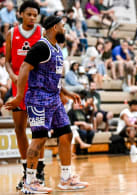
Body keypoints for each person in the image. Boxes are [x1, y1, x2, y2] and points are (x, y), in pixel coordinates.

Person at [5, 15, 89, 193]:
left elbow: (54, 76)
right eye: (63, 26)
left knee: (66, 134)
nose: (65, 30)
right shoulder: (41, 47)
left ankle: (66, 178)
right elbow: (24, 69)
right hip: (38, 98)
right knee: (39, 139)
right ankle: (29, 181)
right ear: (54, 28)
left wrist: (66, 92)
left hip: (54, 98)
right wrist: (19, 96)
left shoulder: (57, 48)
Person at [4, 1, 46, 190]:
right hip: (18, 87)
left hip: (37, 87)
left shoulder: (42, 33)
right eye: (28, 14)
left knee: (39, 131)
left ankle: (39, 171)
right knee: (19, 129)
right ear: (20, 14)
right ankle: (25, 169)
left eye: (35, 15)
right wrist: (12, 76)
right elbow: (7, 62)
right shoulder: (11, 34)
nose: (32, 18)